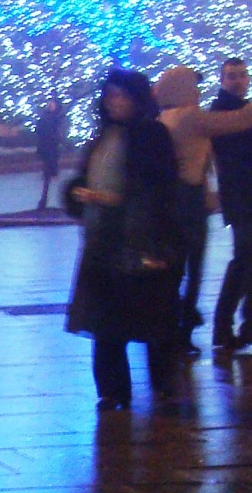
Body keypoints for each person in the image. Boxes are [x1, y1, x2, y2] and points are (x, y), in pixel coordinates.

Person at [65, 69, 181, 410]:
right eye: (110, 95)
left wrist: (114, 201)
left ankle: (162, 383)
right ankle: (112, 389)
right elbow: (84, 179)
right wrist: (78, 194)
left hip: (139, 238)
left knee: (151, 316)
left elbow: (159, 190)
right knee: (106, 320)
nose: (114, 102)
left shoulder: (151, 135)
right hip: (103, 239)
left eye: (122, 96)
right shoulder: (104, 136)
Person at [151, 66, 252, 355]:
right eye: (192, 87)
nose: (197, 92)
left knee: (178, 268)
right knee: (193, 268)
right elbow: (239, 120)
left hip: (178, 197)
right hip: (188, 199)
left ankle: (178, 326)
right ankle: (183, 329)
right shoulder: (188, 117)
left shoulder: (165, 117)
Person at [210, 57, 252, 357]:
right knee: (243, 260)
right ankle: (225, 325)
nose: (238, 81)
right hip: (241, 197)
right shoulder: (222, 114)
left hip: (241, 197)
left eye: (241, 75)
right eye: (231, 76)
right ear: (223, 81)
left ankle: (236, 326)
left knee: (245, 261)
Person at [34, 95, 66, 212]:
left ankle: (44, 201)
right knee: (48, 173)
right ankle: (44, 201)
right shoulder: (48, 117)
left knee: (48, 173)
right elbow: (40, 130)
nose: (50, 105)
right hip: (47, 147)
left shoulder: (55, 118)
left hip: (51, 147)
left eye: (52, 103)